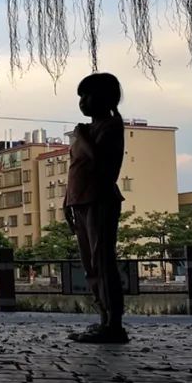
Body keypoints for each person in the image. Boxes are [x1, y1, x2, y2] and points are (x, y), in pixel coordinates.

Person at [63, 72, 127, 344]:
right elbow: (75, 169)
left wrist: (82, 137)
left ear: (103, 97)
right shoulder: (87, 131)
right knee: (90, 264)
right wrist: (67, 200)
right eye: (80, 97)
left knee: (103, 261)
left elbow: (102, 163)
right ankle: (103, 318)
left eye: (86, 95)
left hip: (100, 199)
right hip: (80, 201)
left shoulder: (111, 127)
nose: (82, 102)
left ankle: (114, 323)